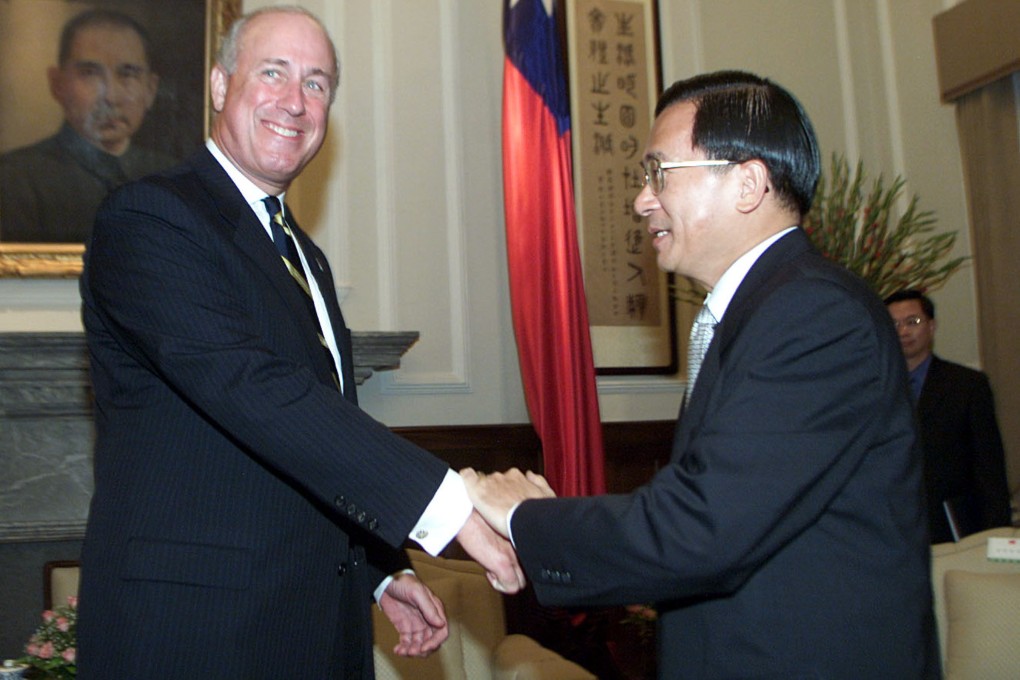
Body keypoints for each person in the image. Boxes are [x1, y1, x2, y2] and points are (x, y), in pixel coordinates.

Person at [76, 7, 522, 678]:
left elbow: (318, 433)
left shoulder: (304, 257)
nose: (295, 100)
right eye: (273, 73)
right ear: (221, 86)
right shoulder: (150, 217)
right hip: (194, 637)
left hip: (311, 626)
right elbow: (252, 390)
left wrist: (378, 571)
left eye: (317, 83)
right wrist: (449, 500)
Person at [464, 71, 940, 678]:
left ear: (747, 183)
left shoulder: (816, 315)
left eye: (659, 173)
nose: (641, 199)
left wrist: (521, 515)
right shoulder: (760, 311)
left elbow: (701, 527)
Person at [0, 9, 175, 243]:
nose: (110, 97)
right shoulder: (16, 178)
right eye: (90, 74)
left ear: (151, 89)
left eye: (128, 74)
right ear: (57, 84)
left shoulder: (174, 177)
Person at [885, 289, 1012, 543]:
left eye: (913, 322)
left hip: (951, 526)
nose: (903, 331)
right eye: (894, 324)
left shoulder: (966, 385)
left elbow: (989, 467)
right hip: (891, 526)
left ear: (931, 326)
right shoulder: (874, 389)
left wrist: (997, 536)